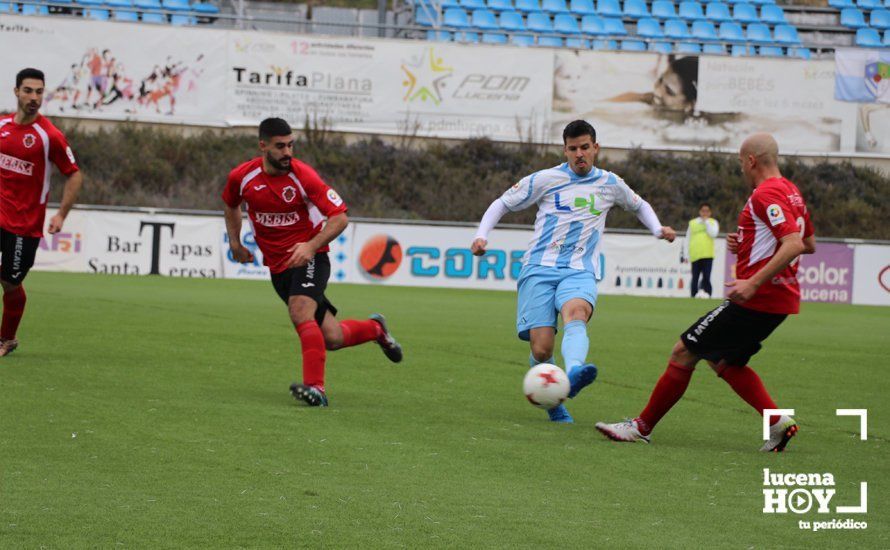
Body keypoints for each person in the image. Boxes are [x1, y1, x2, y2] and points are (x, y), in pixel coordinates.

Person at [595, 133, 816, 452]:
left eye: (742, 163)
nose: (742, 168)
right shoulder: (792, 192)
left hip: (758, 298)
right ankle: (775, 420)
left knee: (684, 351)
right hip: (780, 300)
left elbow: (794, 243)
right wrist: (751, 245)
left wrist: (753, 281)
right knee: (723, 360)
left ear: (751, 160)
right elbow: (808, 243)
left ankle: (640, 427)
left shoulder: (765, 193)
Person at [471, 120, 676, 424]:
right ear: (565, 150)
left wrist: (658, 228)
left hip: (579, 270)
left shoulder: (610, 184)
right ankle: (554, 404)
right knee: (541, 350)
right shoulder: (545, 179)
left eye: (585, 147)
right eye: (573, 148)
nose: (579, 154)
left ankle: (576, 370)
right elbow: (502, 203)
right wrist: (481, 235)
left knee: (577, 313)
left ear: (596, 148)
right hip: (538, 269)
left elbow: (639, 205)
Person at [222, 117, 403, 407]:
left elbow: (340, 218)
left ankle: (315, 388)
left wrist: (310, 245)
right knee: (331, 337)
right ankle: (375, 329)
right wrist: (235, 242)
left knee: (300, 310)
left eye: (291, 145)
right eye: (280, 146)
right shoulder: (241, 178)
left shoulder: (303, 176)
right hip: (279, 267)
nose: (287, 152)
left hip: (312, 257)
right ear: (263, 146)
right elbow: (231, 205)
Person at [0, 68, 83, 356]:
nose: (34, 97)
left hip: (24, 225)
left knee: (11, 282)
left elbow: (74, 174)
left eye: (39, 92)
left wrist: (61, 214)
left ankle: (7, 339)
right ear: (16, 92)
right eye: (28, 91)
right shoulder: (2, 127)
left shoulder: (49, 136)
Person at [684, 203, 719, 298]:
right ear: (700, 211)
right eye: (703, 211)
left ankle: (708, 295)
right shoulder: (693, 223)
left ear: (710, 212)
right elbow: (687, 238)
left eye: (707, 211)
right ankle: (693, 296)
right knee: (695, 278)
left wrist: (706, 222)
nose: (705, 213)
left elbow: (713, 234)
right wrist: (685, 254)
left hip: (707, 255)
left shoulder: (713, 222)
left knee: (706, 277)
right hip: (695, 255)